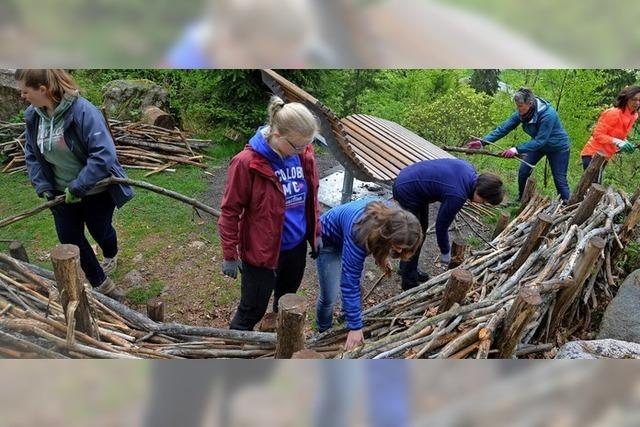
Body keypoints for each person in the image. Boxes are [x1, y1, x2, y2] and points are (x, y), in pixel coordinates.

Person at [17, 69, 132, 298]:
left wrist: (79, 186)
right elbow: (31, 154)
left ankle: (111, 252)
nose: (22, 96)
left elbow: (103, 155)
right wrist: (44, 187)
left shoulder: (83, 111)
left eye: (25, 91)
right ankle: (101, 283)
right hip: (60, 193)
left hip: (95, 189)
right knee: (69, 237)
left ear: (43, 90)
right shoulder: (33, 116)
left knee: (101, 231)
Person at [218, 95, 321, 331]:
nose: (304, 151)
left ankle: (277, 344)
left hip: (295, 249)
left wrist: (316, 233)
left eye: (308, 144)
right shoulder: (246, 163)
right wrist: (229, 255)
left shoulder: (302, 153)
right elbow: (230, 211)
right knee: (251, 312)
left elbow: (311, 194)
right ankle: (234, 355)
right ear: (277, 135)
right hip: (261, 256)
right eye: (298, 146)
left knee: (286, 303)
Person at [316, 198, 422, 350]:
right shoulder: (359, 233)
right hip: (328, 242)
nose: (399, 251)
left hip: (351, 238)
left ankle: (346, 317)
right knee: (329, 297)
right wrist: (356, 328)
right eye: (397, 246)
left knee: (356, 288)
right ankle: (323, 331)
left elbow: (379, 244)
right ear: (386, 235)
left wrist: (383, 256)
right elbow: (349, 282)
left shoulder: (396, 220)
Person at [392, 158, 505, 291]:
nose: (480, 204)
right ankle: (408, 282)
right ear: (480, 193)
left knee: (421, 230)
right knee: (415, 236)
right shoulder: (457, 195)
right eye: (484, 201)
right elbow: (441, 226)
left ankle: (407, 269)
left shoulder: (470, 171)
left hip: (413, 182)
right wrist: (445, 251)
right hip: (407, 189)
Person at [468, 87, 571, 202]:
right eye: (517, 106)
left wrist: (516, 149)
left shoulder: (548, 115)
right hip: (537, 145)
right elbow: (503, 128)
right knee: (523, 171)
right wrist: (483, 142)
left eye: (520, 106)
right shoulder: (522, 113)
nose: (518, 109)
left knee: (560, 179)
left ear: (530, 103)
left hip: (558, 148)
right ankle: (522, 199)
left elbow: (540, 140)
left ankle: (566, 205)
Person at [580, 85, 640, 183]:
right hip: (592, 154)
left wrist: (625, 142)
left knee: (595, 187)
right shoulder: (613, 113)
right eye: (634, 99)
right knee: (591, 189)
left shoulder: (633, 116)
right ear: (626, 98)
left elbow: (620, 135)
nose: (637, 103)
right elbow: (597, 135)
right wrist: (619, 142)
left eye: (639, 100)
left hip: (605, 156)